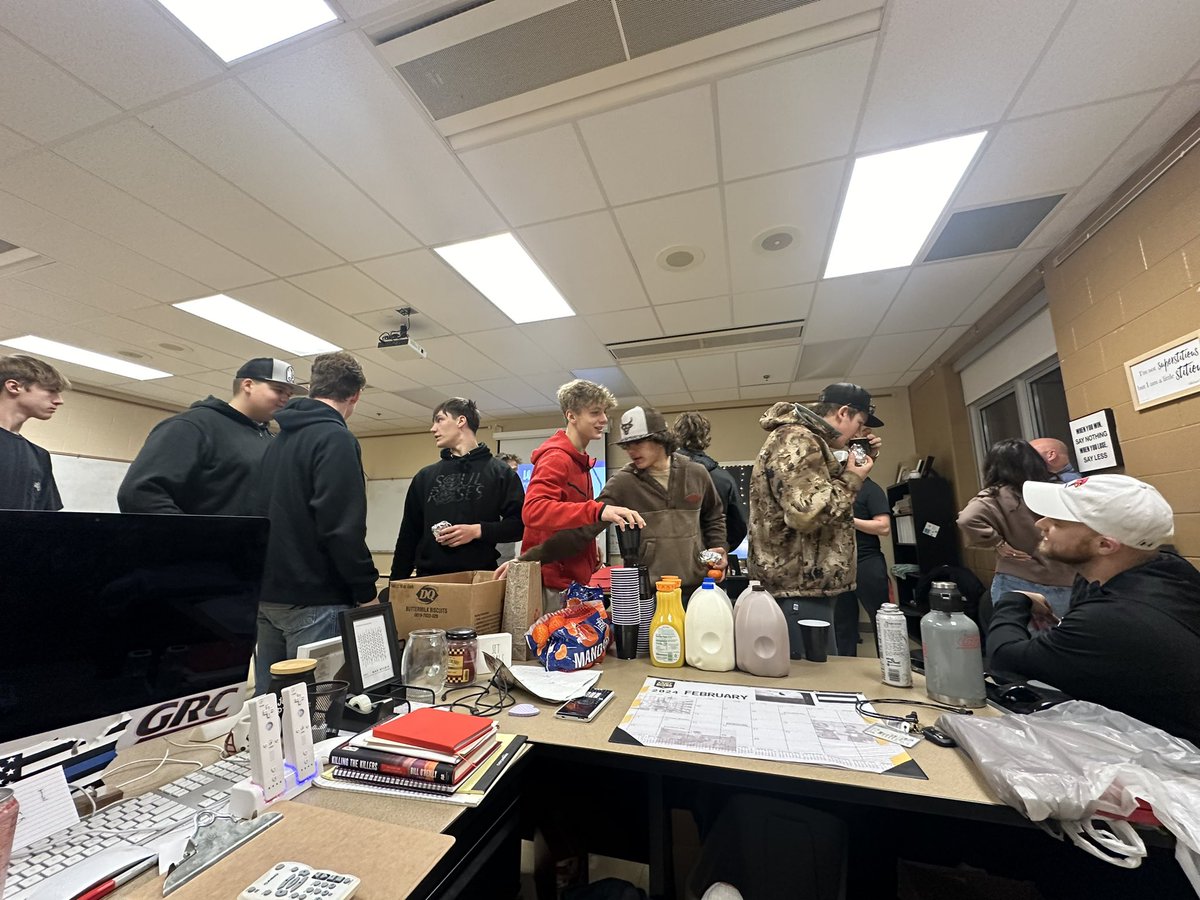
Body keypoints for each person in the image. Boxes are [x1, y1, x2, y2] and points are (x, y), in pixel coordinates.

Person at [989, 475, 1200, 745]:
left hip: (1171, 766)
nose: (1041, 523)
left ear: (1105, 545)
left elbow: (1004, 658)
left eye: (1059, 522)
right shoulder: (1167, 569)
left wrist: (1013, 599)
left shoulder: (1115, 618)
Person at [252, 352, 377, 694]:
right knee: (315, 713)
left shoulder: (277, 442)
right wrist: (366, 593)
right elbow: (341, 528)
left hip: (268, 595)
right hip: (314, 598)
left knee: (269, 708)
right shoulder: (335, 438)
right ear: (355, 396)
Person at [521, 406, 727, 595]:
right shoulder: (623, 482)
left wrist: (718, 547)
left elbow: (714, 516)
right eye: (627, 445)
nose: (631, 451)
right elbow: (583, 530)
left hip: (698, 588)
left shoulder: (696, 473)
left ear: (661, 439)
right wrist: (527, 560)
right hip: (647, 594)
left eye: (638, 442)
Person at [749, 383, 881, 659]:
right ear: (843, 412)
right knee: (808, 683)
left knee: (818, 677)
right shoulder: (797, 439)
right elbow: (807, 514)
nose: (860, 433)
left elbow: (814, 495)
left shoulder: (810, 442)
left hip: (806, 584)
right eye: (860, 423)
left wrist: (854, 464)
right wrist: (854, 477)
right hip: (798, 585)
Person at [517, 379, 643, 612]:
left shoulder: (581, 461)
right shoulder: (556, 457)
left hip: (573, 581)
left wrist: (589, 547)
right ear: (571, 416)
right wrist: (599, 510)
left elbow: (569, 517)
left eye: (604, 412)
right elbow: (533, 511)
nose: (604, 419)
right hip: (553, 584)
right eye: (595, 412)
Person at [118, 357, 303, 515]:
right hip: (204, 555)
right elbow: (140, 493)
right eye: (278, 390)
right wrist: (199, 542)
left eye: (289, 394)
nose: (285, 399)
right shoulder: (193, 426)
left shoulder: (270, 438)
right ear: (248, 385)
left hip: (251, 553)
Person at [387, 398, 524, 582]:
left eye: (439, 420)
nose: (433, 428)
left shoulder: (500, 473)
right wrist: (395, 585)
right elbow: (408, 536)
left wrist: (477, 531)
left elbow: (519, 525)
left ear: (461, 421)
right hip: (429, 582)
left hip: (479, 580)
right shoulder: (425, 476)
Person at [957, 439, 1077, 617]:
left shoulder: (995, 496)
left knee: (1017, 637)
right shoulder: (1055, 489)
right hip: (1065, 578)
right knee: (1064, 639)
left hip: (1017, 579)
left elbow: (967, 519)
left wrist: (997, 543)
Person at [672, 411, 748, 553]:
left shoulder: (664, 474)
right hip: (711, 561)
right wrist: (721, 548)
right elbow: (738, 527)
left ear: (676, 435)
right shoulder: (724, 479)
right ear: (705, 436)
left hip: (673, 558)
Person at [833, 472, 891, 656]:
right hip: (840, 564)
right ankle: (845, 669)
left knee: (882, 619)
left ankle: (891, 664)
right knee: (842, 622)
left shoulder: (871, 490)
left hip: (867, 562)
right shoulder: (836, 491)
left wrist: (849, 520)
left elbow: (883, 527)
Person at [0, 354, 68, 510]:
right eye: (51, 390)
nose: (59, 400)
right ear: (14, 387)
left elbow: (43, 521)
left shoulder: (39, 456)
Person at [496, 454, 523, 565]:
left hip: (508, 557)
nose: (514, 475)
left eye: (516, 470)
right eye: (511, 470)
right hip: (491, 558)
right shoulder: (491, 496)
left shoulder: (515, 497)